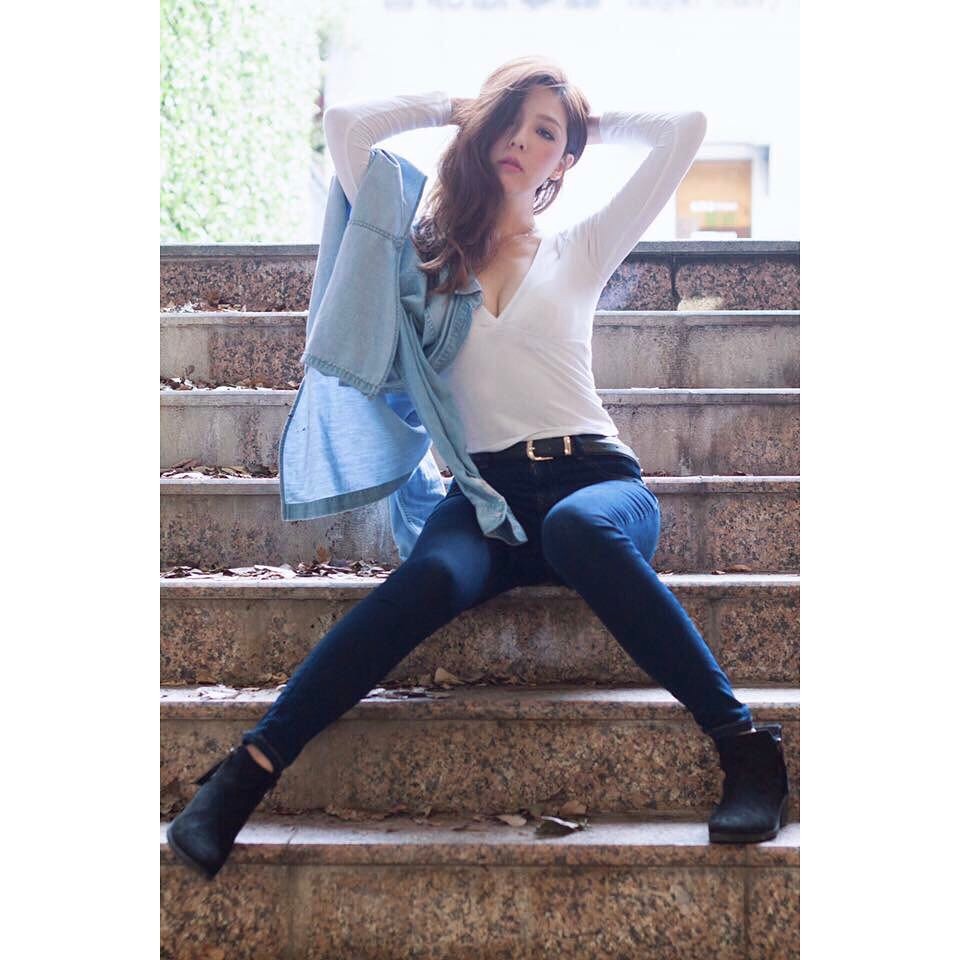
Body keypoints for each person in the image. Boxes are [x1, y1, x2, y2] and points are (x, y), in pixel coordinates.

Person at [166, 56, 789, 881]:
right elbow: (346, 128)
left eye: (544, 134)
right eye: (511, 123)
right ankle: (243, 777)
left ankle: (744, 747)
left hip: (596, 483)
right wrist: (463, 106)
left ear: (565, 160)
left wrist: (580, 124)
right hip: (487, 499)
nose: (522, 141)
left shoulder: (580, 247)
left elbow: (686, 131)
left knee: (577, 529)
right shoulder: (426, 261)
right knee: (431, 576)